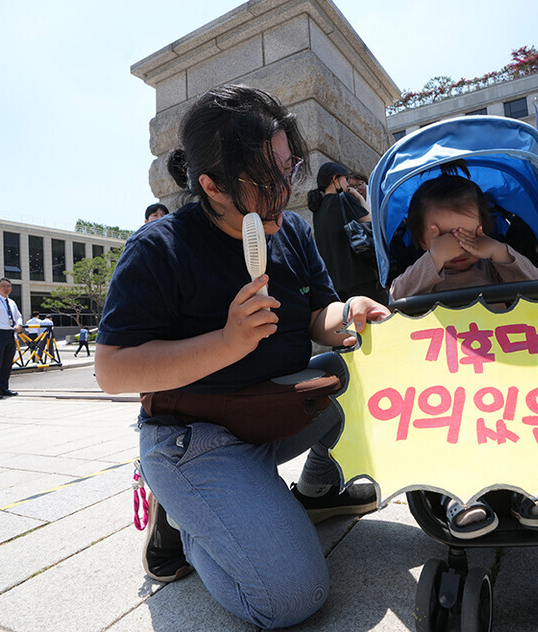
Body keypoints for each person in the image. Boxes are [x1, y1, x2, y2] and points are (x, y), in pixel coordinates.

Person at [95, 85, 389, 629]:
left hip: (271, 411)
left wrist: (349, 314)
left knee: (347, 372)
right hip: (195, 435)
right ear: (212, 186)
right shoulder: (160, 247)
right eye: (264, 180)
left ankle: (317, 490)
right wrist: (226, 343)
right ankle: (186, 519)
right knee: (292, 597)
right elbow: (112, 369)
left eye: (288, 168)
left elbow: (318, 316)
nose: (284, 189)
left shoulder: (292, 231)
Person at [389, 169, 538, 537]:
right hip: (447, 382)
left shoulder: (495, 267)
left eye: (465, 235)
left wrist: (498, 252)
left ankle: (534, 487)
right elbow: (397, 296)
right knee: (445, 430)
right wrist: (433, 259)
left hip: (504, 373)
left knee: (529, 418)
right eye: (441, 237)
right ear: (422, 240)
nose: (455, 246)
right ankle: (461, 493)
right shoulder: (423, 275)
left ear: (482, 230)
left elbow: (537, 285)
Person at [306, 161, 387, 303]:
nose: (348, 183)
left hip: (335, 282)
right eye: (345, 178)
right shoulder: (344, 199)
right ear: (335, 179)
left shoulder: (317, 209)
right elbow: (371, 222)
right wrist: (360, 198)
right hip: (359, 276)